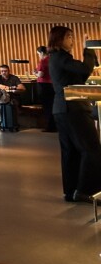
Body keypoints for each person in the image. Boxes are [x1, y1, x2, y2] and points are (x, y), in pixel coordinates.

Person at [48, 26, 101, 202]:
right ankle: (87, 191)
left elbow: (80, 76)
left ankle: (72, 191)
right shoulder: (61, 57)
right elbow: (85, 69)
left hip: (62, 109)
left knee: (70, 151)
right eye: (69, 37)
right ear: (59, 39)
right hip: (73, 108)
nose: (72, 40)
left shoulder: (57, 58)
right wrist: (88, 49)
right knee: (91, 148)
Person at [0, 64, 25, 132]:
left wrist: (10, 88)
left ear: (9, 71)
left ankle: (11, 124)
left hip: (13, 97)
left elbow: (22, 88)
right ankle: (4, 123)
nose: (3, 72)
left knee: (12, 104)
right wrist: (0, 85)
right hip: (1, 98)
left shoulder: (14, 78)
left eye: (5, 71)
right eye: (2, 71)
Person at [35, 46, 56, 132]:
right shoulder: (51, 59)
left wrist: (35, 73)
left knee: (47, 107)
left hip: (44, 85)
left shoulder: (43, 61)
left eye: (38, 54)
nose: (39, 55)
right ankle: (53, 126)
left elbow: (40, 75)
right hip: (52, 85)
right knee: (51, 106)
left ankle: (49, 127)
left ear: (42, 53)